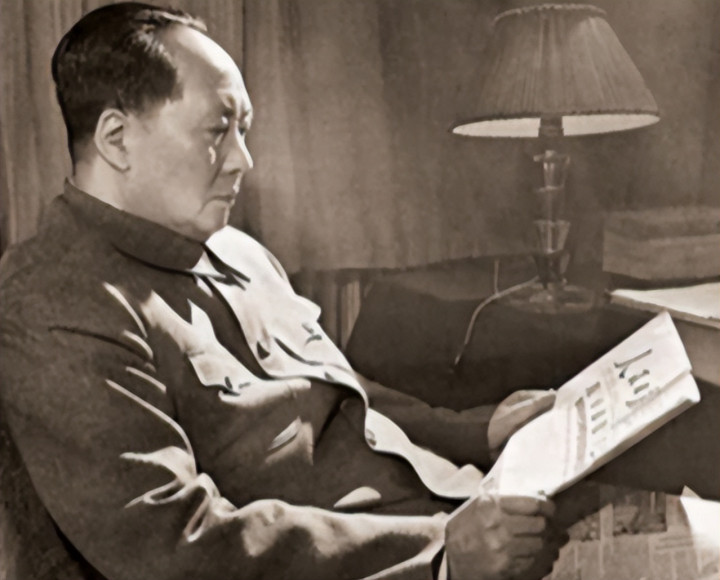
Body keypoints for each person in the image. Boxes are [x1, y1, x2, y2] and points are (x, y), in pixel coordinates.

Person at [0, 4, 561, 580]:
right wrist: (439, 555)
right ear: (117, 140)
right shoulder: (55, 304)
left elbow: (339, 394)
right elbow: (177, 545)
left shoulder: (236, 250)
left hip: (457, 508)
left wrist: (478, 431)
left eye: (243, 130)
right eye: (218, 131)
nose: (243, 160)